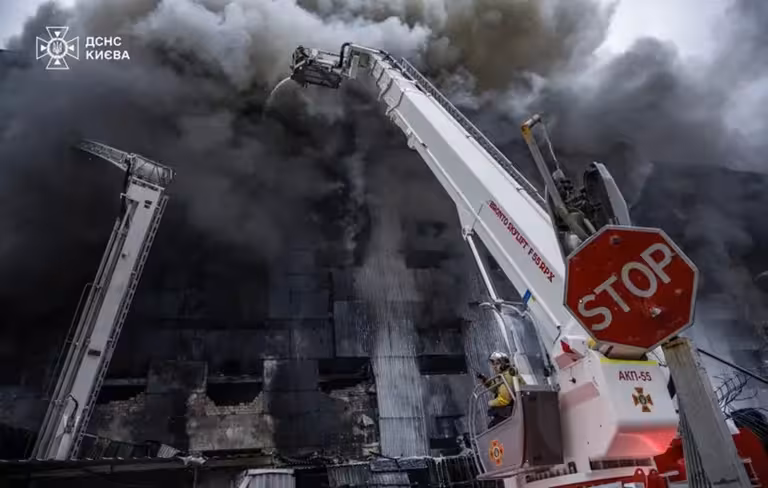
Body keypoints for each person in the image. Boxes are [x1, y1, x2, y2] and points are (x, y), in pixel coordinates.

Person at [476, 351, 523, 429]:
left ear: (504, 364)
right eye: (493, 364)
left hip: (512, 413)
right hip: (515, 410)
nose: (494, 367)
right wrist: (485, 380)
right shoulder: (506, 374)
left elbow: (504, 400)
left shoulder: (507, 376)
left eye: (497, 364)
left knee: (492, 428)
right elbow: (496, 389)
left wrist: (490, 403)